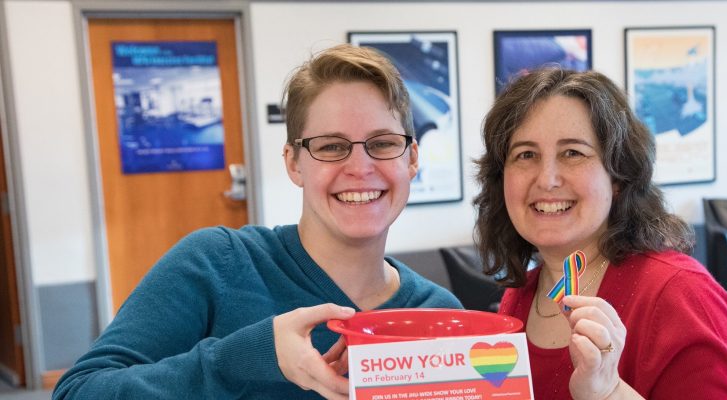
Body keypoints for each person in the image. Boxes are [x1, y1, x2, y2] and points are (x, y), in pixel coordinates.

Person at [53, 44, 461, 400]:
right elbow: (80, 391)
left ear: (411, 159)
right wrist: (246, 357)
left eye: (383, 143)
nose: (360, 167)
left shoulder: (441, 314)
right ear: (293, 163)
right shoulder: (217, 264)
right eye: (331, 146)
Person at [474, 68, 727, 399]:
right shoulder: (518, 299)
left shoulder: (682, 297)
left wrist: (609, 392)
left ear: (618, 178)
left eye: (573, 153)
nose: (546, 179)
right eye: (526, 155)